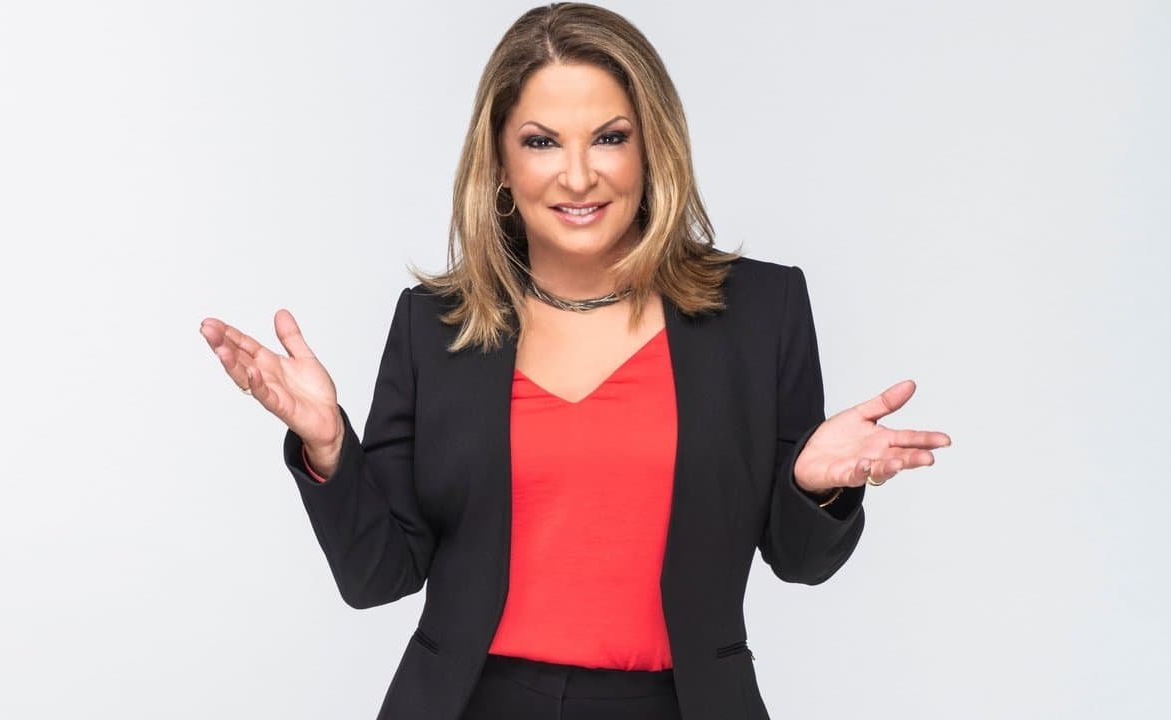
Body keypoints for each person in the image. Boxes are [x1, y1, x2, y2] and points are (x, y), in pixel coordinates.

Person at [199, 3, 950, 718]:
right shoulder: (435, 325)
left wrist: (816, 486)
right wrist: (330, 448)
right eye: (541, 141)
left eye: (610, 137)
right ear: (499, 162)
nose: (579, 175)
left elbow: (799, 560)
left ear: (652, 149)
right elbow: (378, 575)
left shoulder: (759, 313)